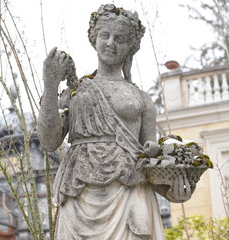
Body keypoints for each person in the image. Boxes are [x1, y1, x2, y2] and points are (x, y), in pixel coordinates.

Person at [38, 4, 166, 239]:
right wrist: (50, 85)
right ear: (94, 39)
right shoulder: (75, 91)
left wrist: (155, 151)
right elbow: (49, 141)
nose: (110, 43)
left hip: (127, 188)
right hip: (79, 193)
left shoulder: (141, 99)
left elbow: (151, 151)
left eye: (119, 38)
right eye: (105, 35)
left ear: (130, 46)